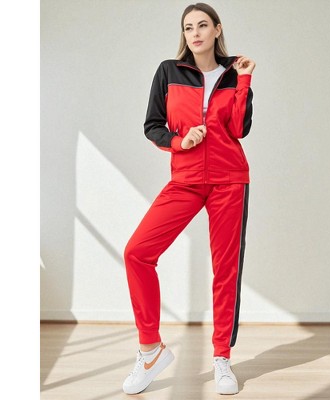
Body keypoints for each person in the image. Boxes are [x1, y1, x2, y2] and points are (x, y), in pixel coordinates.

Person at [122, 2, 255, 395]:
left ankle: (221, 359)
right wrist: (181, 141)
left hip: (229, 180)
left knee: (225, 269)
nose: (194, 33)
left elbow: (238, 128)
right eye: (188, 27)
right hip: (186, 179)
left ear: (217, 29)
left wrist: (245, 80)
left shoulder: (234, 73)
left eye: (202, 25)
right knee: (137, 253)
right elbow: (152, 125)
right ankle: (150, 350)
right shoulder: (169, 71)